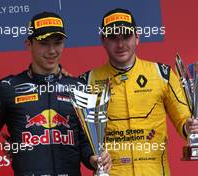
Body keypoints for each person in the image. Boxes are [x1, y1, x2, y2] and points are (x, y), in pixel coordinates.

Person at [79, 8, 198, 176]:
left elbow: (183, 119)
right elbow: (81, 136)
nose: (120, 44)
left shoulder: (161, 73)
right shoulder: (87, 80)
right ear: (103, 40)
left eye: (126, 37)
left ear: (137, 38)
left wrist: (189, 127)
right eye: (113, 38)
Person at [0, 12, 111, 176]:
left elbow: (86, 143)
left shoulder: (78, 88)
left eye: (58, 43)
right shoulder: (8, 88)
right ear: (29, 43)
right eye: (44, 43)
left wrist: (94, 159)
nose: (52, 51)